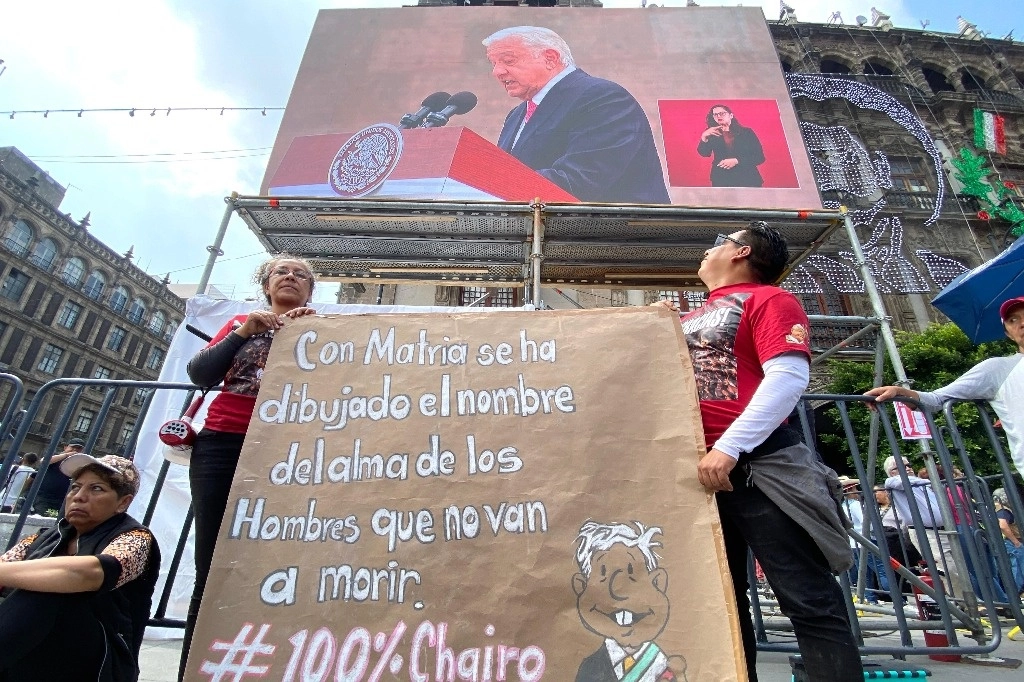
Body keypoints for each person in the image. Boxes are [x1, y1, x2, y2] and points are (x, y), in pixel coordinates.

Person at [658, 221, 862, 681]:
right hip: (698, 473)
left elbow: (788, 378)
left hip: (758, 467)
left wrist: (729, 446)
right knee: (721, 606)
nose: (708, 250)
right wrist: (653, 325)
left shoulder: (770, 299)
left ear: (741, 252)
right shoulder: (689, 316)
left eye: (719, 242)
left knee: (808, 599)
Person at [178, 256, 317, 680]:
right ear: (267, 285)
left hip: (288, 450)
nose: (291, 277)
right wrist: (243, 333)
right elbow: (201, 373)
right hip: (222, 443)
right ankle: (194, 667)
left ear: (311, 291)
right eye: (282, 272)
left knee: (280, 556)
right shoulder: (242, 324)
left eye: (301, 275)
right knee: (213, 558)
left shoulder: (322, 329)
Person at [0, 454, 160, 682]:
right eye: (75, 487)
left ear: (123, 502)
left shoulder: (135, 537)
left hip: (99, 662)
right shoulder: (43, 537)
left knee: (50, 586)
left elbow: (88, 574)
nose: (79, 496)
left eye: (96, 489)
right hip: (32, 655)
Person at [483, 26, 670, 204]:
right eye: (493, 64)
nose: (497, 72)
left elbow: (580, 180)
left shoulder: (603, 98)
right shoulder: (516, 115)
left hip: (611, 233)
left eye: (508, 61)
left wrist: (487, 183)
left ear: (550, 58)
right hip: (533, 233)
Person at [865, 295, 1024, 479]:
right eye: (1013, 320)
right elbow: (937, 399)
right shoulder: (998, 369)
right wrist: (901, 392)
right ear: (1007, 332)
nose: (1022, 323)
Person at [572, 521, 685, 681]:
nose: (618, 591)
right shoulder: (589, 669)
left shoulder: (664, 667)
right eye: (603, 574)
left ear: (657, 582)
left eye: (633, 573)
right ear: (582, 586)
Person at [696, 104, 765, 188]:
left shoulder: (746, 132)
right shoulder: (711, 133)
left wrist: (737, 161)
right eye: (715, 114)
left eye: (722, 113)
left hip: (747, 178)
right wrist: (704, 137)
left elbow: (759, 157)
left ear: (731, 115)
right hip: (722, 179)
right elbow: (705, 153)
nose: (718, 116)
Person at [32, 437, 85, 514]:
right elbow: (44, 461)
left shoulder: (79, 462)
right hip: (44, 497)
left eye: (79, 449)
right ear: (65, 447)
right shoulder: (57, 457)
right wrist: (66, 455)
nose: (75, 450)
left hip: (63, 500)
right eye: (73, 447)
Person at [992, 488, 1024, 597]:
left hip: (1008, 542)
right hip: (1011, 543)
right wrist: (1016, 542)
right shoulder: (1003, 510)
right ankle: (1015, 595)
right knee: (1017, 569)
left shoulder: (996, 509)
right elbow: (1003, 525)